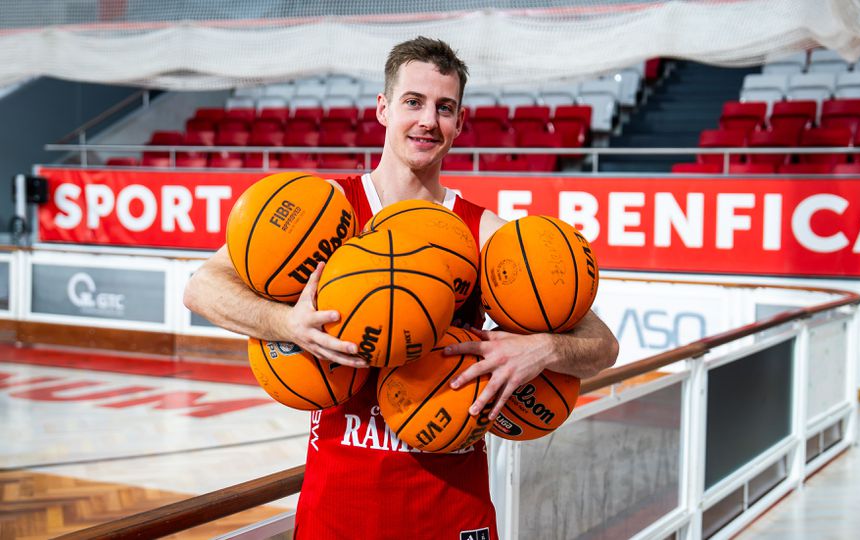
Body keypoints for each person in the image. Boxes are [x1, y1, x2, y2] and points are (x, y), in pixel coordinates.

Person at [184, 36, 618, 539]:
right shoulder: (326, 208)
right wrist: (286, 323)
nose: (428, 120)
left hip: (453, 514)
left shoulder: (486, 233)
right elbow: (204, 286)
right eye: (413, 102)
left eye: (445, 108)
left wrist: (541, 349)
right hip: (339, 512)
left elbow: (602, 345)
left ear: (460, 124)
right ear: (384, 109)